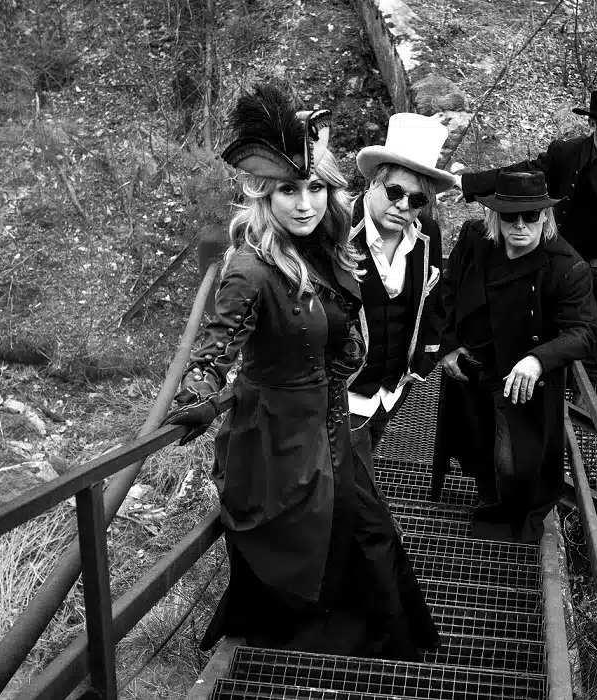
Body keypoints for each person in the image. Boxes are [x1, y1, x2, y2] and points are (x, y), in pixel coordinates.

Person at [165, 82, 439, 658]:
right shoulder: (250, 267)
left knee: (368, 535)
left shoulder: (324, 244)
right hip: (280, 439)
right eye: (289, 190)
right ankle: (307, 643)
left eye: (315, 187)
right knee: (332, 541)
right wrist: (197, 392)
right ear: (263, 195)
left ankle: (364, 642)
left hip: (331, 427)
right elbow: (216, 347)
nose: (305, 203)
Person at [434, 170, 597, 542]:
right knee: (475, 438)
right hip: (471, 365)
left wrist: (538, 358)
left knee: (514, 459)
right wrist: (447, 344)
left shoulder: (567, 266)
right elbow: (448, 288)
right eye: (510, 217)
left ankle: (511, 521)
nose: (520, 225)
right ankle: (487, 497)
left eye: (531, 216)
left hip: (520, 378)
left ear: (546, 217)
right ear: (496, 217)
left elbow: (584, 331)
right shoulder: (475, 239)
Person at [460, 89, 597, 380]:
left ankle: (583, 393)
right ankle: (553, 386)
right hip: (571, 266)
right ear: (592, 125)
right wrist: (468, 184)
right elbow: (524, 175)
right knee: (559, 327)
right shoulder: (566, 154)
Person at [347, 113, 454, 474]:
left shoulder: (428, 234)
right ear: (372, 184)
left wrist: (423, 362)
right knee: (352, 491)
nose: (404, 206)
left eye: (418, 199)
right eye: (395, 192)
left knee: (362, 473)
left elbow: (436, 299)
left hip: (393, 389)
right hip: (341, 396)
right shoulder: (335, 233)